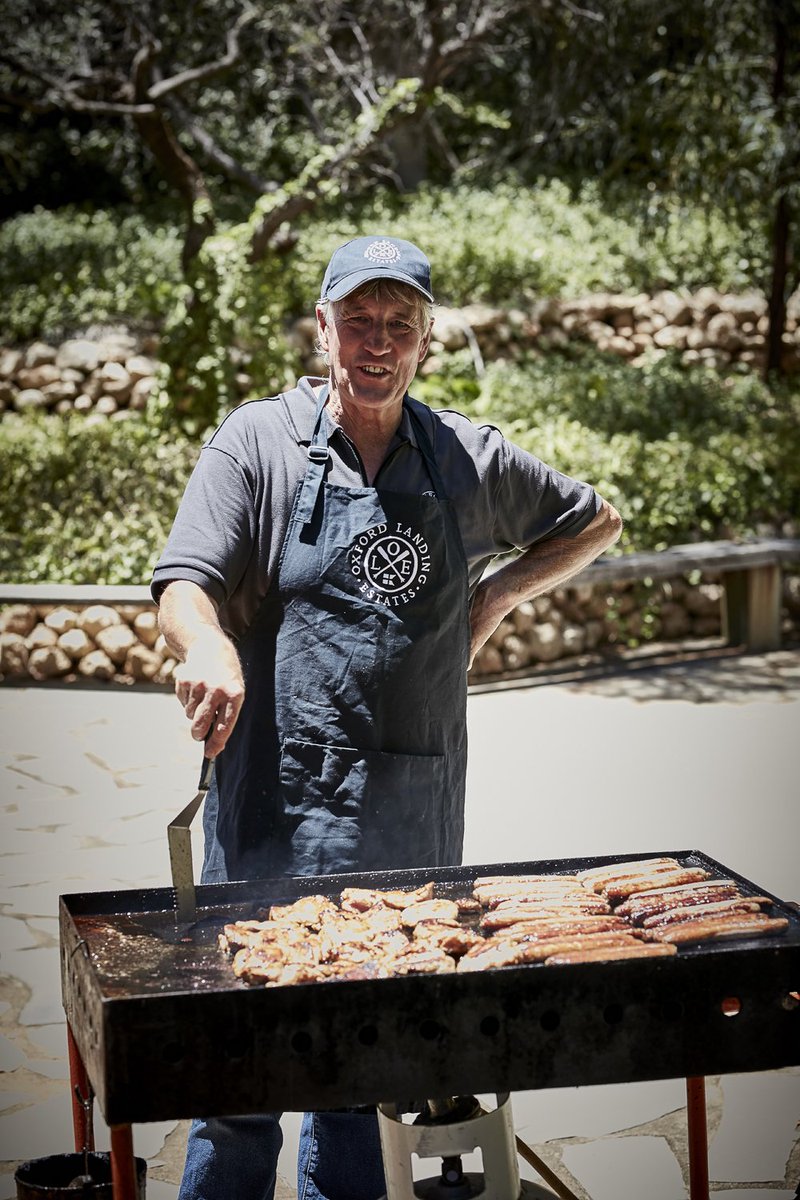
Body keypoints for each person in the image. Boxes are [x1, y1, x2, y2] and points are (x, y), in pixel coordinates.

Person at [151, 234, 623, 1200]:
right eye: (357, 319)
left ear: (425, 339)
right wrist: (205, 645)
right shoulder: (258, 444)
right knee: (239, 1085)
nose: (377, 340)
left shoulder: (463, 456)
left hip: (404, 824)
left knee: (363, 1081)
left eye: (399, 324)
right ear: (321, 325)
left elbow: (594, 522)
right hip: (267, 817)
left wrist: (492, 600)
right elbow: (184, 579)